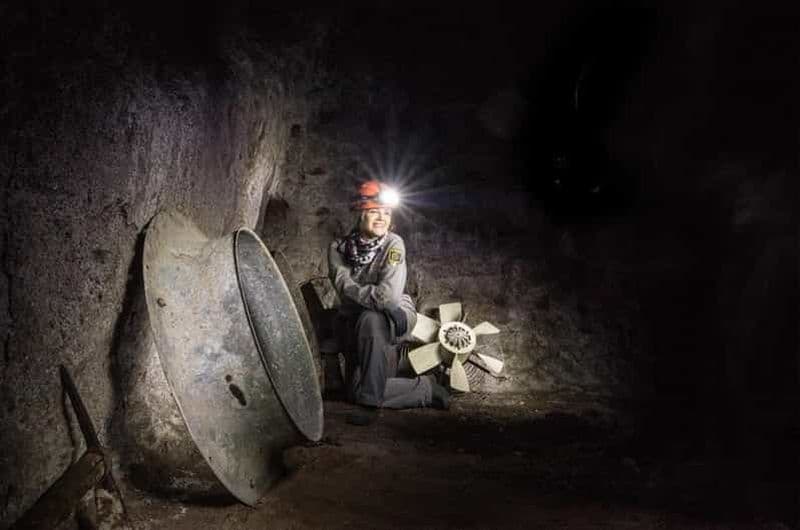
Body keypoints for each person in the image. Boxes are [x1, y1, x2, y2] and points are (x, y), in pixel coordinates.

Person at [328, 180, 449, 421]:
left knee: (371, 319)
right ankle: (426, 388)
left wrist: (376, 301)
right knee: (354, 390)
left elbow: (390, 295)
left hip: (398, 315)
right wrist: (378, 301)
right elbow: (343, 287)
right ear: (360, 214)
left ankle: (369, 408)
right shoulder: (338, 248)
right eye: (374, 212)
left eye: (386, 212)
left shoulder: (393, 244)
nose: (381, 218)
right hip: (360, 319)